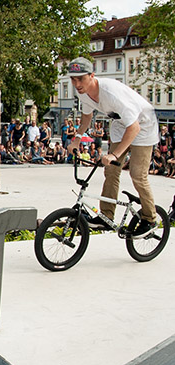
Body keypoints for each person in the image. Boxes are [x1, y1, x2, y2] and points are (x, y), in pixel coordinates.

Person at [66, 57, 159, 237]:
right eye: (73, 79)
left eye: (81, 78)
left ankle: (150, 218)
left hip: (143, 125)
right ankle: (106, 217)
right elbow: (87, 116)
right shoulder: (82, 92)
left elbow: (135, 128)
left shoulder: (111, 93)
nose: (76, 83)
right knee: (110, 171)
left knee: (137, 174)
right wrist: (77, 139)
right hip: (119, 124)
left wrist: (115, 155)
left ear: (92, 76)